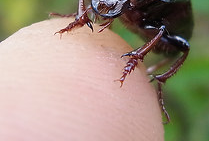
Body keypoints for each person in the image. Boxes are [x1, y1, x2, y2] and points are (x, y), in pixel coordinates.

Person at [0, 18, 164, 141]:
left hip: (165, 35)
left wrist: (134, 59)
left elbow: (163, 31)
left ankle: (139, 60)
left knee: (169, 36)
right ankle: (81, 18)